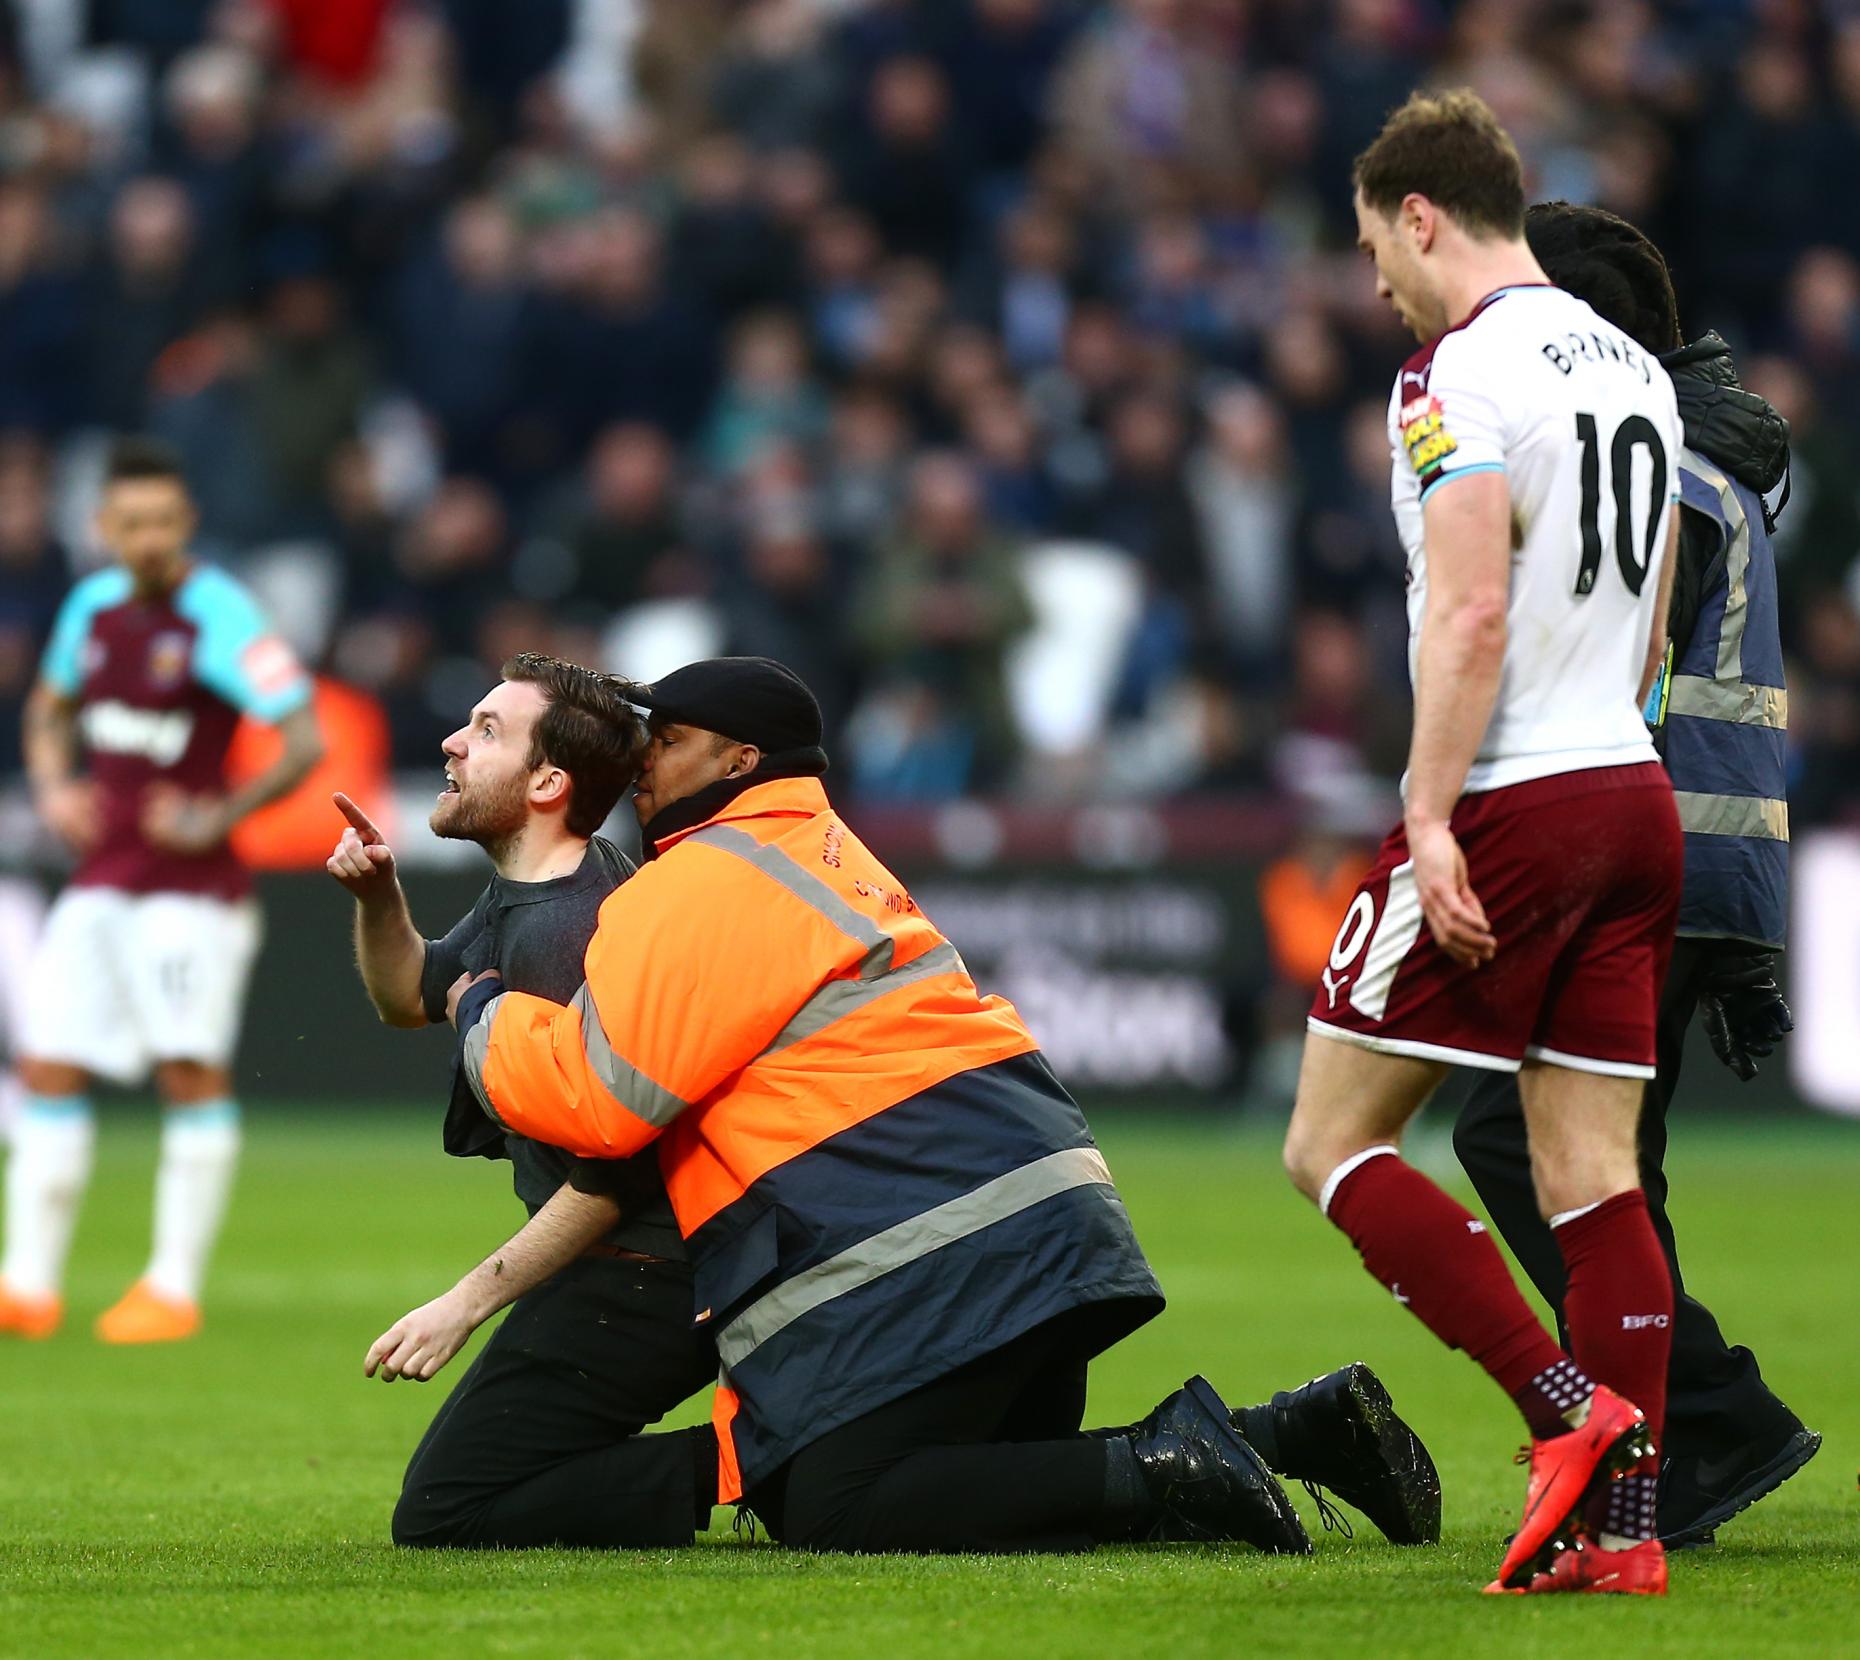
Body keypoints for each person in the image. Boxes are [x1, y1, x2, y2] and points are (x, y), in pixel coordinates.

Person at [446, 655, 1440, 1556]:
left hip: (935, 1241)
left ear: (737, 756)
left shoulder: (701, 878)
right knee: (977, 1481)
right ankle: (1297, 1431)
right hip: (1040, 1213)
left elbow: (600, 1102)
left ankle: (1158, 1465)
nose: (645, 758)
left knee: (836, 1508)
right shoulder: (822, 849)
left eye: (668, 739)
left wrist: (482, 1010)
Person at [1279, 92, 1685, 1597]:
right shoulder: (1636, 366)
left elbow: (1467, 605)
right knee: (1596, 1183)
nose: (1374, 275)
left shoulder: (1452, 375)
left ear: (1422, 215)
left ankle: (1567, 1418)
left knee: (1329, 1140)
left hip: (1515, 793)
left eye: (1375, 241)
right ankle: (1627, 1536)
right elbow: (1651, 617)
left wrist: (1435, 816)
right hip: (1631, 791)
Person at [1447, 201, 1818, 1546]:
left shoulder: (1649, 478)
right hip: (1707, 864)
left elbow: (1573, 667)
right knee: (1608, 1173)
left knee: (1521, 1145)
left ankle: (1704, 1423)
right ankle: (1663, 1449)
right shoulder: (1708, 466)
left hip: (1638, 863)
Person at [0, 439, 323, 1346]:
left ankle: (172, 1287)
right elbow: (48, 712)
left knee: (188, 1069)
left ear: (187, 525)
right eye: (130, 523)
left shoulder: (218, 613)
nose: (146, 539)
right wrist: (55, 786)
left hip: (191, 892)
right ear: (102, 527)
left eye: (163, 522)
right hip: (102, 879)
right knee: (48, 1063)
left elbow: (302, 740)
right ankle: (26, 1286)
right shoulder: (89, 608)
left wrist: (222, 815)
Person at [327, 653, 717, 1548]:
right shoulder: (542, 887)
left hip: (647, 1272)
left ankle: (753, 1458)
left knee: (447, 1513)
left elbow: (615, 1174)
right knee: (464, 1498)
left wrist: (463, 1302)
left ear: (548, 782)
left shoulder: (567, 929)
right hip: (633, 1263)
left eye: (488, 731)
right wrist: (379, 894)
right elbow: (409, 997)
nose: (453, 742)